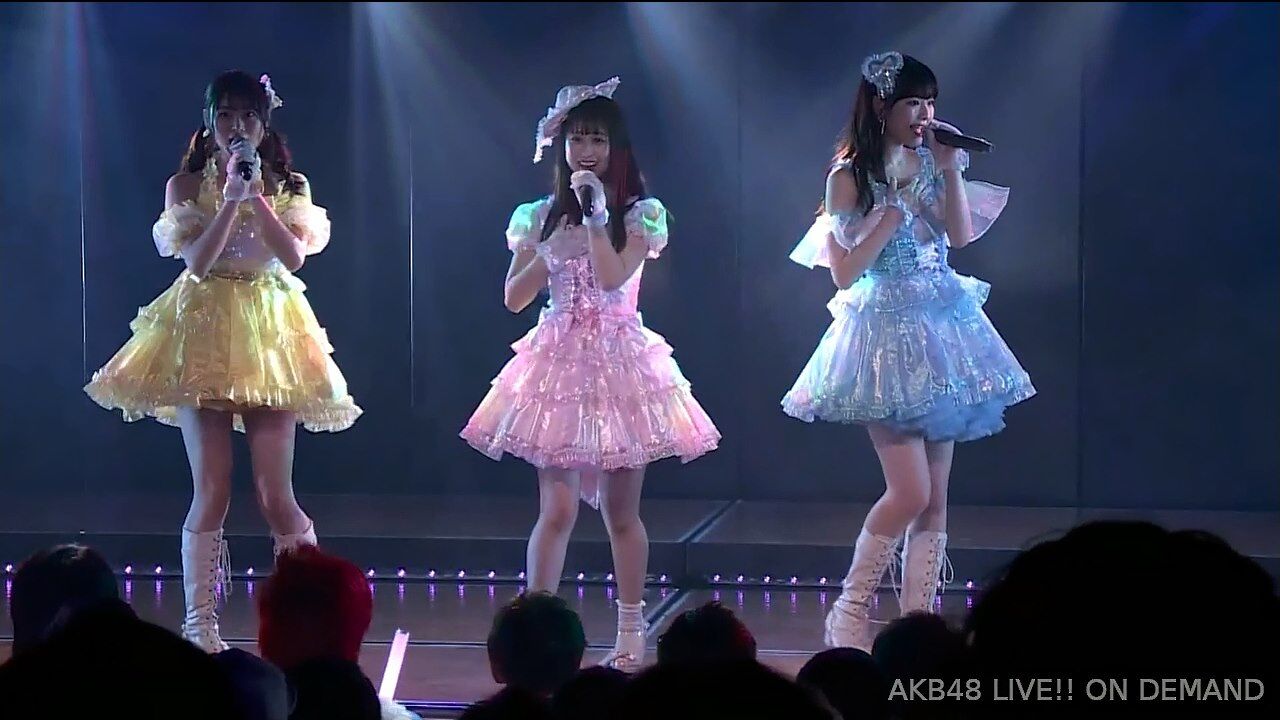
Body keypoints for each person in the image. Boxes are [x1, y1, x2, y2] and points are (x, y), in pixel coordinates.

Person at [85, 70, 361, 652]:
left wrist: (255, 193)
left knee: (275, 495)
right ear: (210, 121)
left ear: (264, 124)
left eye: (249, 116)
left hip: (270, 333)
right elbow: (197, 263)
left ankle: (308, 626)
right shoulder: (185, 186)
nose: (238, 126)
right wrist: (230, 198)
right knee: (212, 489)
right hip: (204, 328)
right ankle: (200, 626)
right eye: (228, 115)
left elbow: (294, 257)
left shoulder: (290, 184)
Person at [461, 77, 720, 670]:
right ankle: (534, 630)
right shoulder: (537, 216)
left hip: (620, 362)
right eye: (577, 138)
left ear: (616, 147)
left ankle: (631, 630)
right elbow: (514, 299)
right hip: (557, 362)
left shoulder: (642, 214)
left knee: (620, 513)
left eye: (598, 139)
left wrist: (597, 221)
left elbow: (610, 278)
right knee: (556, 511)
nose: (586, 150)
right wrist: (549, 248)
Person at [783, 52, 1034, 650]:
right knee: (911, 491)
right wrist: (893, 207)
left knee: (935, 499)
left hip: (942, 328)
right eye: (913, 103)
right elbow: (845, 273)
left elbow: (960, 236)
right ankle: (849, 609)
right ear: (881, 105)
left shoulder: (930, 161)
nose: (925, 115)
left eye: (930, 103)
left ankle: (918, 625)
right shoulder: (849, 176)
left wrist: (947, 168)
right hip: (882, 335)